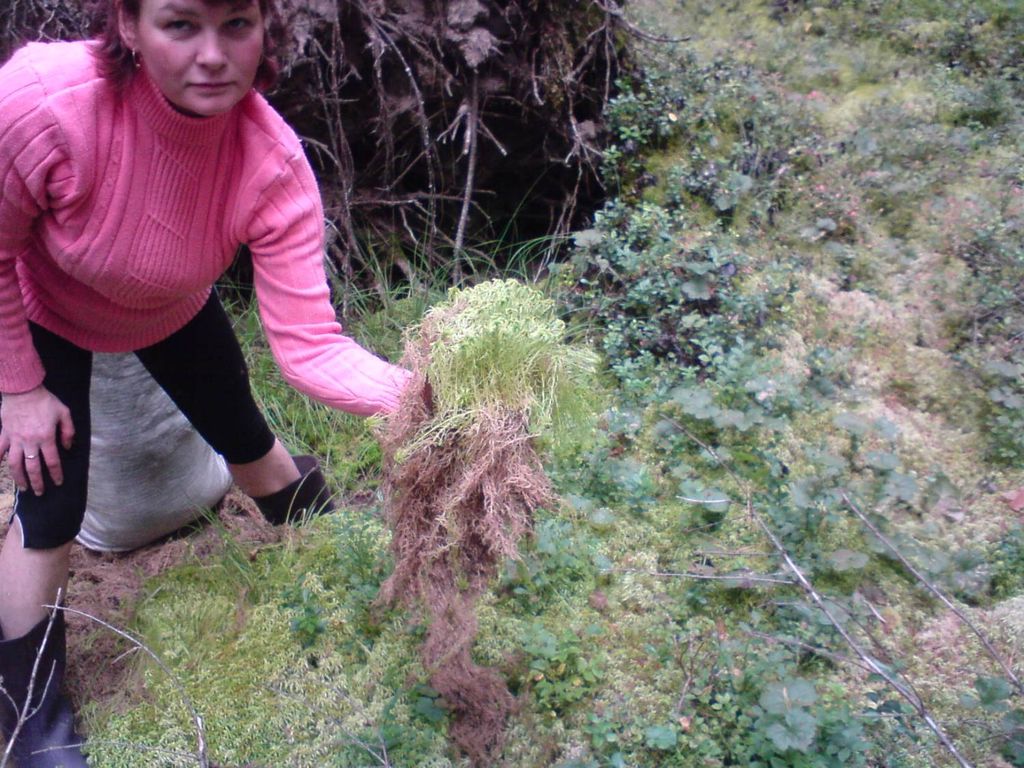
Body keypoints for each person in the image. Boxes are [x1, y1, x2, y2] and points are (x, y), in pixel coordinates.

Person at [0, 0, 411, 763]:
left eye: (236, 25)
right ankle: (29, 716)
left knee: (246, 437)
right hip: (46, 307)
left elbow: (312, 346)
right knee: (51, 500)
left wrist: (424, 401)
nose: (214, 54)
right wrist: (21, 389)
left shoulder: (270, 163)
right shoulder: (44, 103)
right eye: (182, 25)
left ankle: (344, 564)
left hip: (172, 307)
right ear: (129, 26)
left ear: (265, 29)